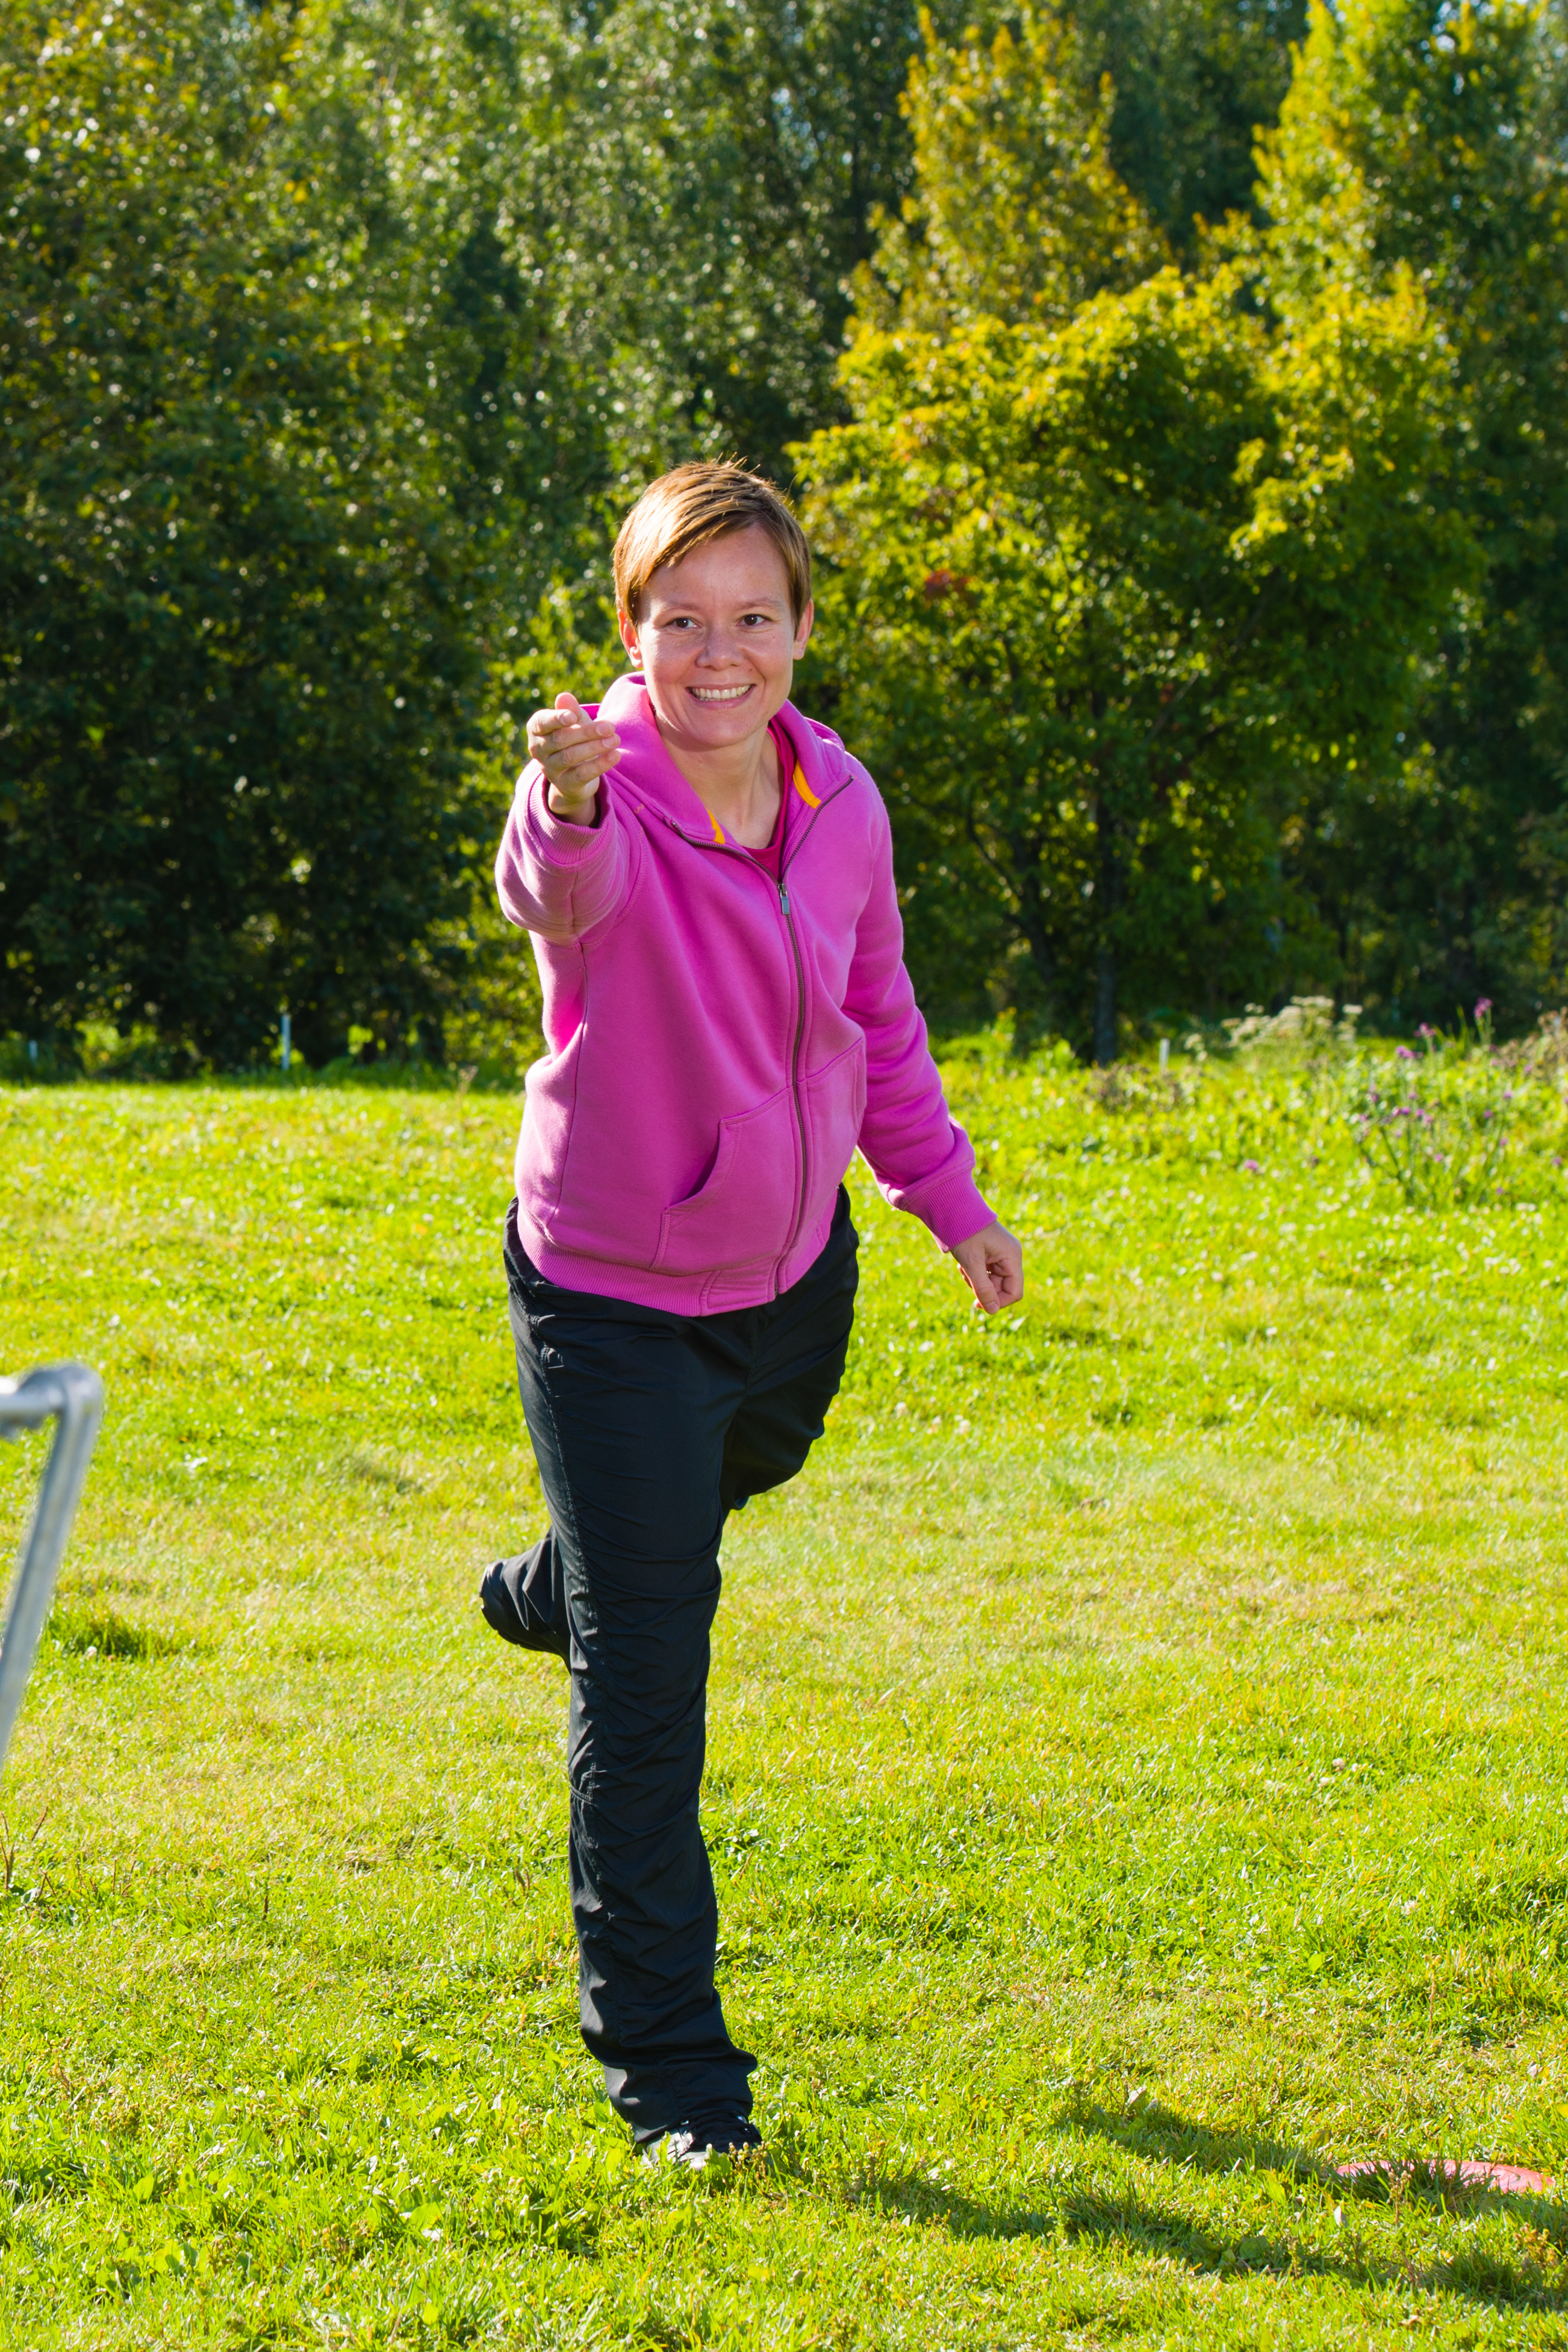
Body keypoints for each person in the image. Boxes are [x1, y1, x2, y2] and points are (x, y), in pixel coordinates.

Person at [479, 459, 1024, 2167]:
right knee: (651, 1689)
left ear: (797, 627)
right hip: (616, 1301)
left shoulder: (838, 794)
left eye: (754, 617)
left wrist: (949, 1199)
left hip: (793, 1285)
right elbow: (557, 907)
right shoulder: (603, 793)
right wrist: (559, 805)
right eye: (680, 620)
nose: (720, 652)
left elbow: (879, 1011)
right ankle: (677, 2080)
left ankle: (569, 1573)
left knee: (722, 1491)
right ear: (629, 634)